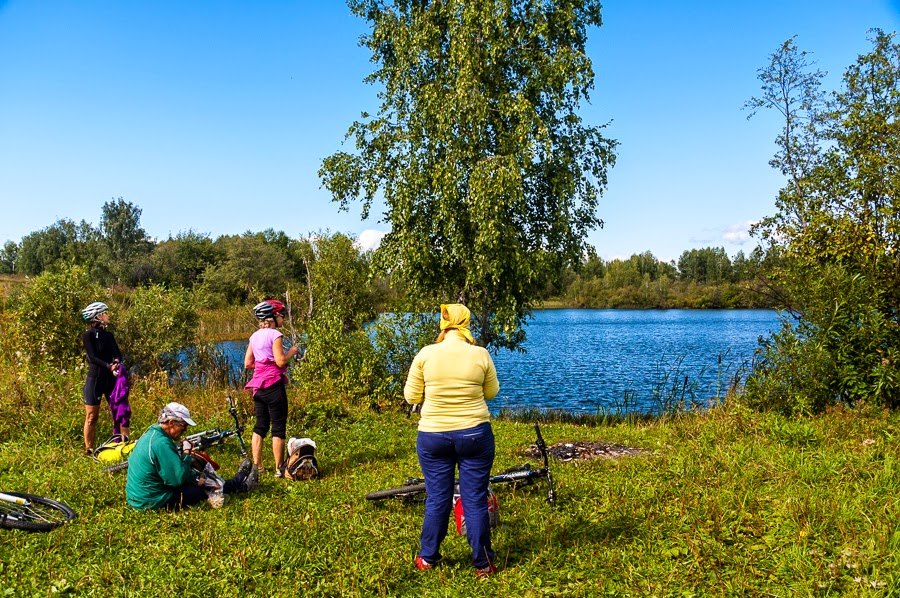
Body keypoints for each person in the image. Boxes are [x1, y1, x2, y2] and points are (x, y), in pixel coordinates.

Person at [403, 303, 500, 577]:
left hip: (433, 435)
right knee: (475, 500)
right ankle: (483, 564)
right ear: (466, 323)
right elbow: (492, 392)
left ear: (443, 324)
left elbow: (411, 397)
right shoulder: (480, 354)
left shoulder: (426, 354)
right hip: (475, 435)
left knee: (437, 498)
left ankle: (427, 558)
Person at [126, 402, 258, 510]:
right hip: (152, 502)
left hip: (137, 498)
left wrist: (193, 476)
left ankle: (239, 481)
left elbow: (171, 471)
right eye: (183, 426)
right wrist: (188, 456)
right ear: (171, 423)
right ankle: (241, 484)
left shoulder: (151, 435)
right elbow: (177, 479)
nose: (185, 430)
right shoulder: (162, 444)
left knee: (200, 482)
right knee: (201, 489)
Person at [244, 299, 299, 476]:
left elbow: (248, 363)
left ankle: (257, 466)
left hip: (257, 387)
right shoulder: (275, 334)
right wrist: (292, 352)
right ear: (273, 317)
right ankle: (278, 468)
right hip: (273, 385)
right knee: (278, 427)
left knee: (260, 425)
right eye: (281, 315)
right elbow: (281, 360)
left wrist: (264, 365)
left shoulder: (254, 336)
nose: (282, 318)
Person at [81, 301, 126, 455]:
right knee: (92, 416)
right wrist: (108, 366)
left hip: (110, 380)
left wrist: (116, 361)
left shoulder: (109, 335)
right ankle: (88, 449)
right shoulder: (89, 335)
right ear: (98, 316)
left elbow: (117, 353)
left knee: (118, 412)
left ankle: (121, 444)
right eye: (106, 313)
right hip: (95, 379)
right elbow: (92, 357)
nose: (108, 316)